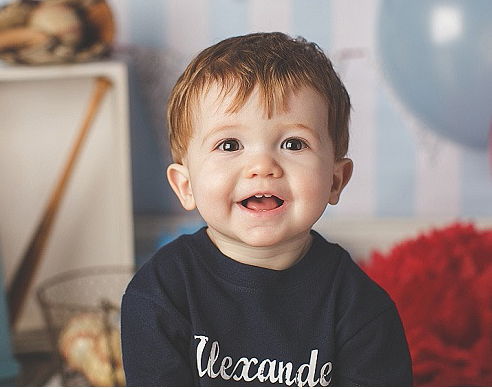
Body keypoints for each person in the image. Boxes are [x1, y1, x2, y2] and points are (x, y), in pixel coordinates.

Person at [120, 32, 413, 387]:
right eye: (229, 144)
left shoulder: (359, 309)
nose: (261, 165)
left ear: (335, 180)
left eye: (293, 143)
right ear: (186, 186)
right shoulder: (159, 294)